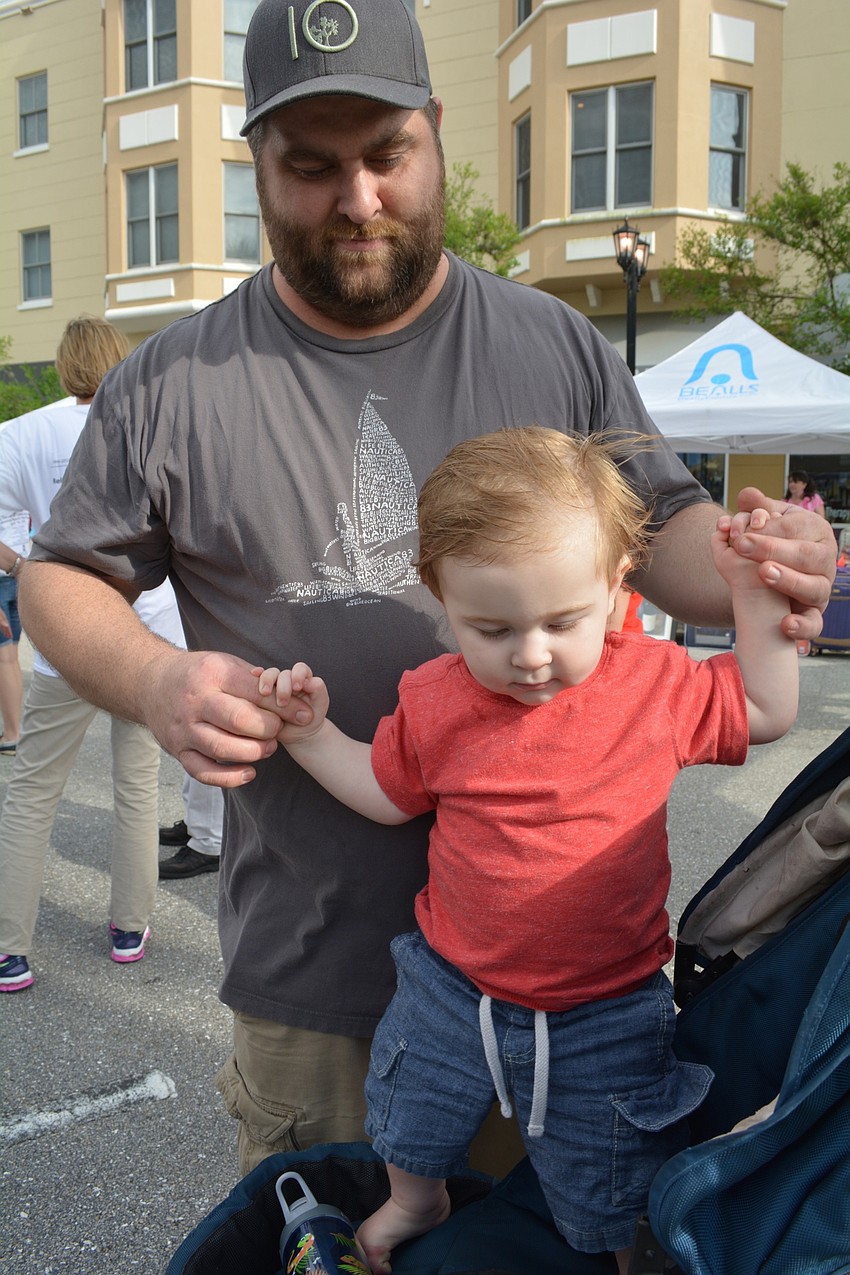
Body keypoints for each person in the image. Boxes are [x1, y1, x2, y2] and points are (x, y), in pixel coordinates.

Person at [17, 0, 834, 1171]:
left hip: (580, 994)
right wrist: (153, 680)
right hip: (317, 972)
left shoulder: (550, 340)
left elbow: (663, 529)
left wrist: (766, 559)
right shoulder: (175, 379)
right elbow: (62, 582)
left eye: (386, 154)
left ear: (436, 134)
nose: (357, 199)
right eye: (311, 167)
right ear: (256, 163)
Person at [255, 427, 799, 1273]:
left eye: (562, 620)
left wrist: (754, 602)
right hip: (452, 989)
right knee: (408, 1119)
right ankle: (414, 1201)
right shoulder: (436, 699)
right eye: (493, 626)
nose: (532, 653)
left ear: (619, 583)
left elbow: (765, 708)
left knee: (610, 1181)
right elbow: (383, 790)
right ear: (438, 592)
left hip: (606, 1005)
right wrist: (310, 733)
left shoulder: (653, 684)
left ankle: (618, 1254)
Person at [0, 316, 185, 992]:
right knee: (136, 784)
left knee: (30, 791)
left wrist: (28, 573)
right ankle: (129, 926)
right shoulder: (149, 420)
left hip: (63, 636)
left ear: (60, 365)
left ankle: (9, 947)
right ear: (119, 360)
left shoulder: (19, 434)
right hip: (142, 631)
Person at [0, 506, 28, 755]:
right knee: (10, 659)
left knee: (5, 659)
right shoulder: (17, 468)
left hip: (7, 573)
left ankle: (11, 734)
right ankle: (14, 731)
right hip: (19, 571)